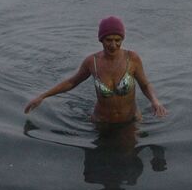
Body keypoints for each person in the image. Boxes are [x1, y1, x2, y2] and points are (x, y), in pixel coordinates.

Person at [24, 16, 167, 123]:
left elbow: (145, 84)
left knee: (130, 156)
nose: (113, 44)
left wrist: (155, 101)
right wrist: (42, 96)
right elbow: (72, 82)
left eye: (117, 40)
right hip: (101, 121)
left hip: (130, 121)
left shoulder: (132, 58)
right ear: (101, 40)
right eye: (108, 40)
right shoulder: (92, 62)